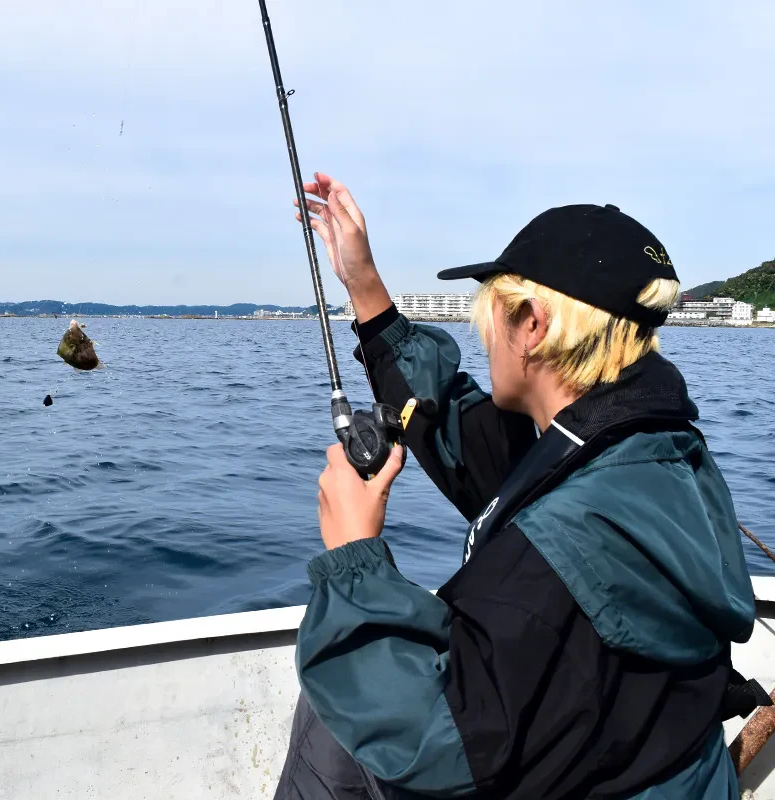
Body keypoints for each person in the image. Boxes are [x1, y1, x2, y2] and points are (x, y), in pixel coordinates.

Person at [275, 174, 764, 799]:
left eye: (493, 315)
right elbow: (463, 435)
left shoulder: (567, 536)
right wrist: (365, 288)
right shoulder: (649, 450)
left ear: (532, 324)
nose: (485, 336)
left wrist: (353, 560)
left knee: (334, 722)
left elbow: (431, 738)